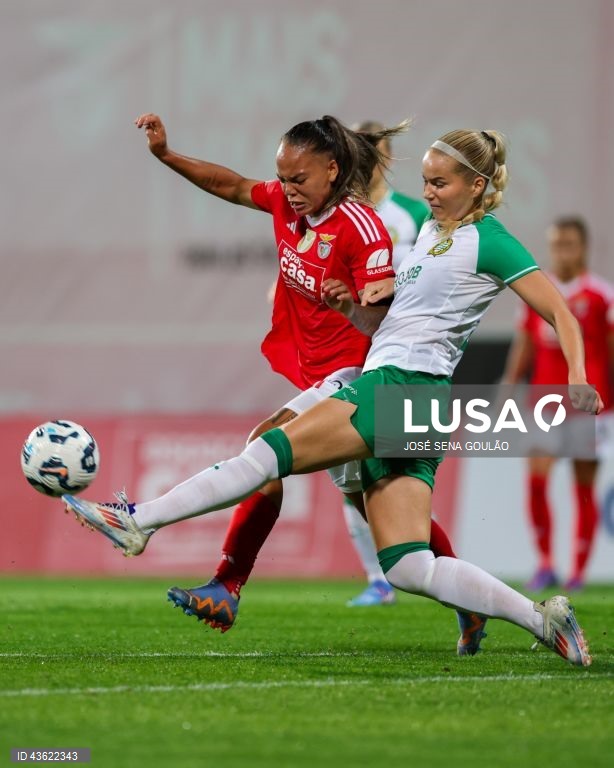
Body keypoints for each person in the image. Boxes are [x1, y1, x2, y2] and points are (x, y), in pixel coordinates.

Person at [64, 127, 601, 667]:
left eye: (440, 183)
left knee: (267, 450)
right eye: (425, 181)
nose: (428, 192)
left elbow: (559, 310)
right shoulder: (430, 234)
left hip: (402, 385)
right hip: (417, 399)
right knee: (409, 566)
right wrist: (351, 309)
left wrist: (577, 375)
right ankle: (543, 619)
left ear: (477, 185)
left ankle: (139, 521)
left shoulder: (490, 240)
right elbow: (392, 322)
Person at [125, 113, 483, 651]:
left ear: (333, 169)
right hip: (328, 371)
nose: (287, 189)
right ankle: (469, 602)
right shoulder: (296, 207)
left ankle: (225, 583)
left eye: (298, 178)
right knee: (372, 502)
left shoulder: (376, 224)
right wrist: (167, 155)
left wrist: (353, 307)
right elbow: (230, 185)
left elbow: (388, 316)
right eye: (284, 178)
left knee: (265, 447)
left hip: (366, 375)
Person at [343, 120, 429, 607]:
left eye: (371, 151)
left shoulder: (414, 215)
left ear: (387, 158)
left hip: (399, 355)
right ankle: (378, 578)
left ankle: (439, 574)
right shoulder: (339, 213)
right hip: (347, 351)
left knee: (395, 472)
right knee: (346, 471)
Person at [502, 216, 614, 591]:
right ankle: (546, 563)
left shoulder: (601, 295)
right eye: (556, 245)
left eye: (568, 245)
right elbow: (524, 343)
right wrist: (508, 385)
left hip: (587, 406)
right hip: (544, 403)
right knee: (536, 480)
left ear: (583, 248)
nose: (561, 252)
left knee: (583, 487)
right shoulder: (538, 291)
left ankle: (578, 572)